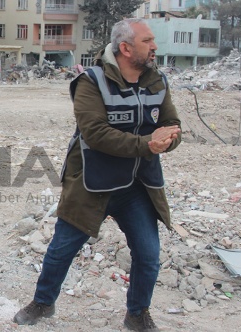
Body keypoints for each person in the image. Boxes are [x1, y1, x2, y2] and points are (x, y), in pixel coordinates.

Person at [13, 18, 181, 332]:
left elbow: (172, 124)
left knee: (148, 254)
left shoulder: (158, 81)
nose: (155, 46)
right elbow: (96, 134)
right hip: (93, 181)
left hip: (137, 185)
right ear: (126, 48)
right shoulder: (91, 82)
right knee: (62, 249)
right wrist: (148, 143)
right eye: (147, 41)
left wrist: (170, 139)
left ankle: (137, 314)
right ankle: (42, 302)